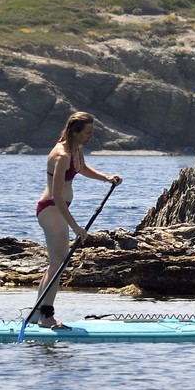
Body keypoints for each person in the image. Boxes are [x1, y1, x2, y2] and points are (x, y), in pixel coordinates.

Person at [33, 111, 121, 329]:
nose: (90, 136)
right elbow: (57, 196)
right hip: (52, 209)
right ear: (74, 131)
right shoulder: (61, 155)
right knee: (59, 263)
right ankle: (46, 317)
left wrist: (106, 178)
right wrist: (76, 227)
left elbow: (81, 169)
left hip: (58, 209)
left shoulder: (76, 149)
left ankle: (37, 314)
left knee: (56, 263)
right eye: (88, 132)